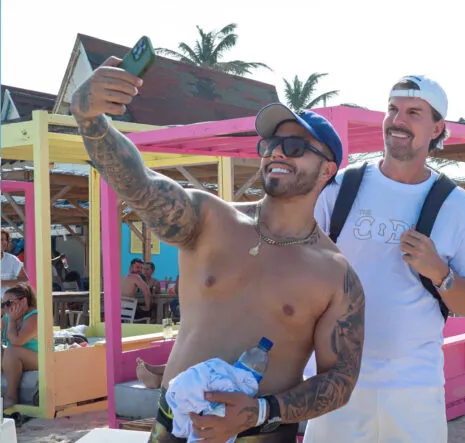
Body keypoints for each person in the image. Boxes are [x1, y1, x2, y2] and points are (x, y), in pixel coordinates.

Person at [70, 56, 365, 443]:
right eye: (271, 143)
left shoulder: (334, 275)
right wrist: (90, 121)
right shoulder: (209, 219)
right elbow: (139, 186)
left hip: (261, 434)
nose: (277, 152)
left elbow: (340, 379)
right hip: (173, 426)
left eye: (294, 146)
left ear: (327, 170)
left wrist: (261, 411)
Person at [305, 75, 465, 443]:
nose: (397, 120)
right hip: (336, 380)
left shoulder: (455, 205)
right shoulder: (341, 188)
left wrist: (440, 272)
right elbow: (299, 270)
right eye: (392, 109)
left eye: (413, 112)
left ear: (437, 127)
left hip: (413, 387)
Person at [1, 283, 39, 409]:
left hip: (40, 357)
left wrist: (11, 321)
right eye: (2, 304)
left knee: (11, 352)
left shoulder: (34, 316)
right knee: (9, 352)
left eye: (8, 303)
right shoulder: (7, 316)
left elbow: (18, 341)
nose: (5, 308)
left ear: (23, 301)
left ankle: (11, 396)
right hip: (19, 358)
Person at [0, 229, 27, 298]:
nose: (4, 242)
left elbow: (25, 281)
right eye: (1, 239)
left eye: (5, 239)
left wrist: (2, 283)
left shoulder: (13, 260)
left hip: (9, 305)